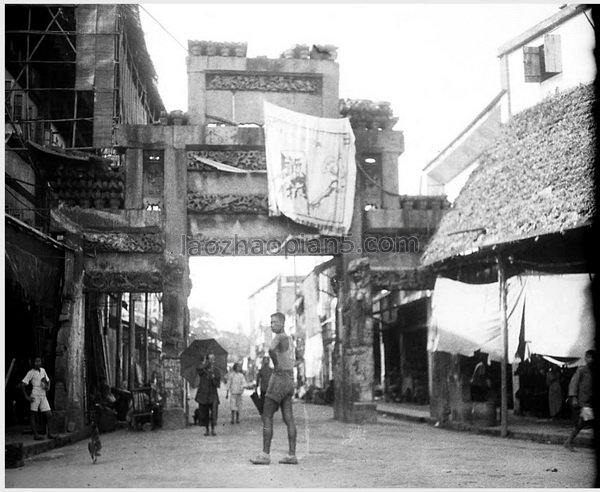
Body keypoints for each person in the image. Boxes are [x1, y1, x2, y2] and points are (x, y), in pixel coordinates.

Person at [251, 312, 298, 465]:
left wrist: (276, 364)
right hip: (290, 379)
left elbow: (271, 350)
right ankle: (292, 455)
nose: (272, 325)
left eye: (275, 322)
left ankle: (265, 454)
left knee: (267, 415)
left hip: (279, 378)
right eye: (271, 322)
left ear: (283, 323)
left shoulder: (278, 338)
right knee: (288, 418)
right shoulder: (290, 339)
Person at [564, 349, 594, 451]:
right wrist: (574, 397)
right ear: (585, 358)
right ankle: (568, 441)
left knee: (582, 424)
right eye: (589, 357)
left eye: (592, 358)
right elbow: (573, 384)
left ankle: (568, 441)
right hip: (583, 402)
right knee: (580, 424)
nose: (591, 360)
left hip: (590, 401)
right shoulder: (581, 370)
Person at [20, 356, 57, 440]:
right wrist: (27, 397)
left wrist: (48, 387)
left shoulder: (43, 370)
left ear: (41, 362)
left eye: (39, 361)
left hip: (43, 395)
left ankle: (50, 433)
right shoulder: (31, 372)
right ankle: (36, 435)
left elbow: (48, 380)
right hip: (35, 395)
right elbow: (23, 383)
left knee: (49, 414)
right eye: (36, 361)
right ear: (33, 362)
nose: (38, 363)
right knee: (33, 414)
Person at [195, 353, 221, 436]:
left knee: (214, 413)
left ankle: (213, 429)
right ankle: (207, 429)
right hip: (204, 394)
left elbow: (218, 384)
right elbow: (198, 369)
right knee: (204, 413)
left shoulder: (216, 370)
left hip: (213, 394)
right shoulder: (203, 370)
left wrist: (213, 378)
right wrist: (205, 364)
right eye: (209, 359)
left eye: (213, 359)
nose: (211, 361)